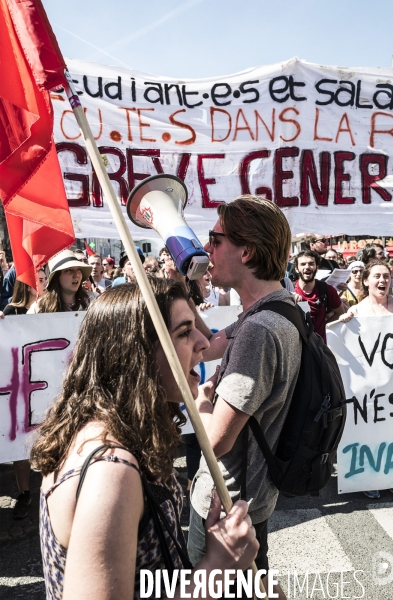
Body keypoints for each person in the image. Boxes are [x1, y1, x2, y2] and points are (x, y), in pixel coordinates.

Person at [30, 279, 258, 599]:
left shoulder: (116, 435)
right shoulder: (110, 471)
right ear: (137, 356)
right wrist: (218, 567)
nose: (203, 343)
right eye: (183, 332)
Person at [188, 195, 302, 599]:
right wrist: (184, 290)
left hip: (225, 509)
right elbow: (209, 344)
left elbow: (217, 439)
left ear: (247, 250)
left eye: (215, 240)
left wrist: (202, 398)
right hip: (248, 504)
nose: (207, 249)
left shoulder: (258, 330)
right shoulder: (276, 309)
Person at [339, 261, 393, 499]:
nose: (382, 281)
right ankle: (369, 477)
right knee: (369, 431)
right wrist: (346, 321)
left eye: (386, 276)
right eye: (377, 276)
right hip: (368, 390)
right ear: (366, 281)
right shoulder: (358, 311)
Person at [2, 269, 47, 518]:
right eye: (37, 280)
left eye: (44, 279)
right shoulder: (12, 311)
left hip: (46, 383)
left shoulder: (52, 308)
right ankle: (24, 491)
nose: (42, 284)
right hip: (22, 387)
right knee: (22, 443)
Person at [293, 250, 344, 342]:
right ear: (296, 268)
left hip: (319, 349)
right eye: (303, 264)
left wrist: (324, 325)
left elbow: (340, 312)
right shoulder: (290, 290)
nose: (307, 267)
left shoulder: (326, 289)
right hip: (296, 348)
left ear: (317, 267)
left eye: (311, 264)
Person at [28, 250, 93, 313]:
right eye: (69, 270)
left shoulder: (93, 302)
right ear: (56, 277)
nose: (76, 275)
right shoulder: (40, 308)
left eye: (78, 269)